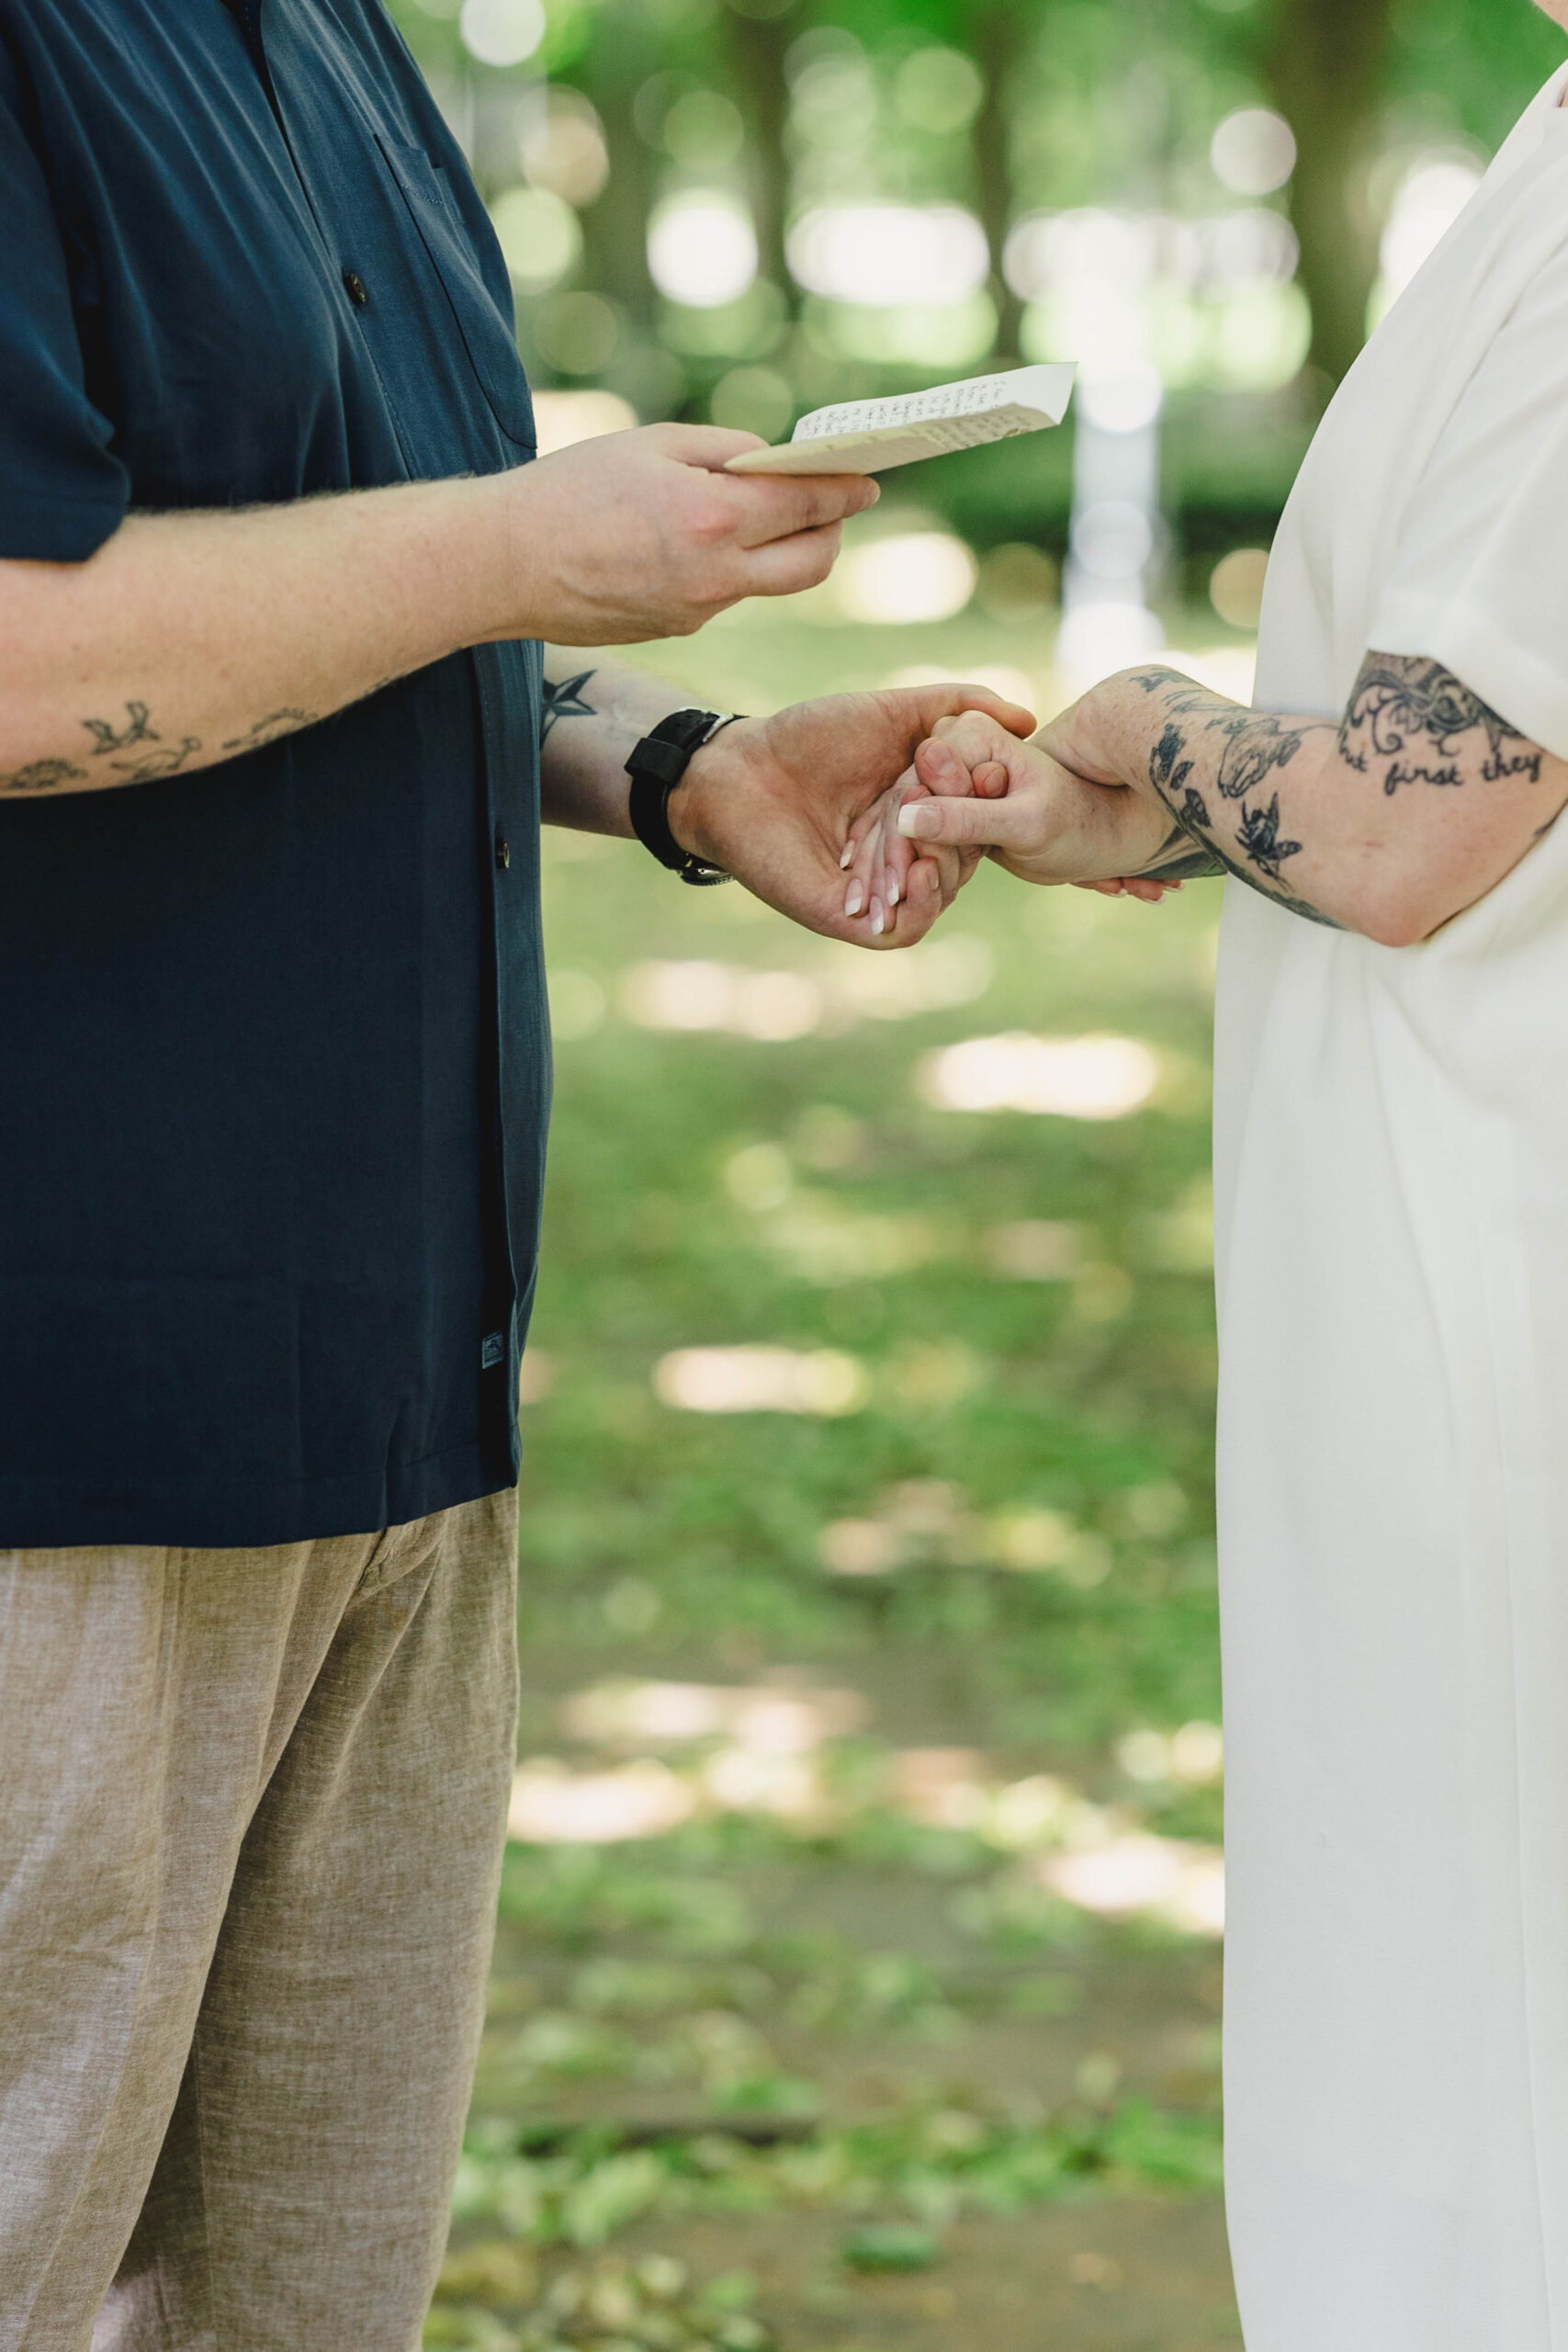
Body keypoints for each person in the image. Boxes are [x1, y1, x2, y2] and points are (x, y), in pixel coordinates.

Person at [0, 5, 1031, 2342]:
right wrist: (520, 536)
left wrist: (680, 763)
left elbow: (347, 581)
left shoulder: (339, 39)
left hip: (403, 1389)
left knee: (297, 2300)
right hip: (63, 1428)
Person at [846, 18, 1568, 2345]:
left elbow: (1403, 822)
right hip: (1433, 1245)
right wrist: (1129, 805)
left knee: (1481, 2038)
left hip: (1501, 1290)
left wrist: (1140, 705)